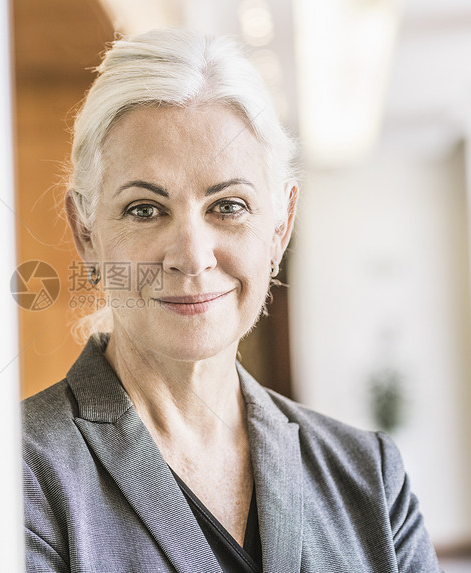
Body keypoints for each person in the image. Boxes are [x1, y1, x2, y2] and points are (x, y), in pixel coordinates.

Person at [22, 29, 441, 572]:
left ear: (280, 226)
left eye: (229, 205)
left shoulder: (370, 477)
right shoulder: (9, 475)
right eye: (145, 209)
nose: (192, 257)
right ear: (85, 234)